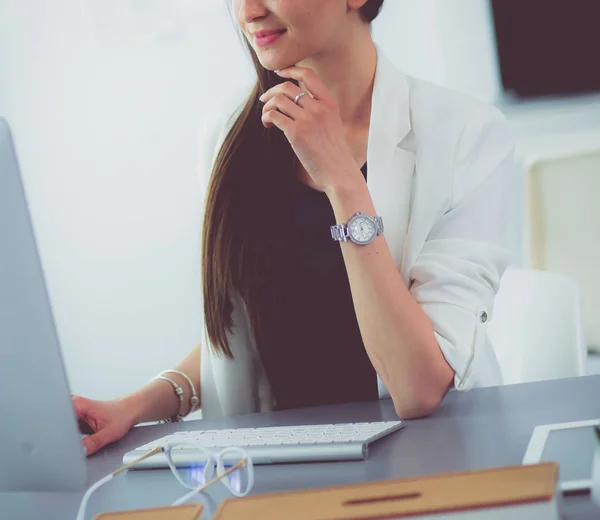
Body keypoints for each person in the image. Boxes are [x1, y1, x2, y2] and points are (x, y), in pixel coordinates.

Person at [73, 0, 515, 457]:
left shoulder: (468, 135)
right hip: (276, 468)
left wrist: (342, 181)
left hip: (432, 462)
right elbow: (241, 339)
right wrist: (133, 406)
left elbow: (419, 388)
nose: (247, 10)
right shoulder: (227, 133)